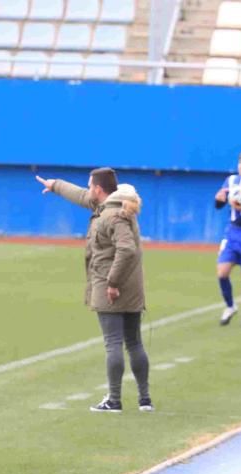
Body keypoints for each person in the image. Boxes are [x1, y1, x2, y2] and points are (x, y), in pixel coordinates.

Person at [36, 168, 152, 413]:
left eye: (91, 186)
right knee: (134, 342)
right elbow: (80, 196)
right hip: (132, 286)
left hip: (111, 286)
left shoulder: (111, 215)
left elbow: (127, 250)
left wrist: (112, 283)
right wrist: (55, 184)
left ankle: (114, 400)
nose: (89, 190)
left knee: (113, 343)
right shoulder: (117, 206)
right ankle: (144, 400)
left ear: (99, 189)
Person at [213, 150, 241, 327]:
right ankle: (230, 306)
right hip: (232, 233)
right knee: (222, 273)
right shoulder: (231, 180)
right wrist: (219, 199)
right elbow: (219, 204)